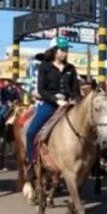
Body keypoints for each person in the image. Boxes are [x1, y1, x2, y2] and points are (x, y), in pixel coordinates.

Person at [24, 37, 80, 175]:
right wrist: (56, 100)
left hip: (68, 105)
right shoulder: (45, 66)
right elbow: (41, 89)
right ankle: (32, 161)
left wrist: (73, 99)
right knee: (31, 132)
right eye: (62, 50)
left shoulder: (71, 68)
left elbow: (76, 90)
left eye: (66, 50)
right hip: (49, 105)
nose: (65, 53)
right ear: (55, 51)